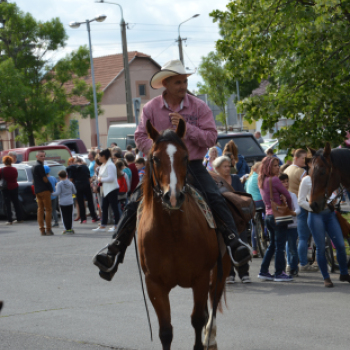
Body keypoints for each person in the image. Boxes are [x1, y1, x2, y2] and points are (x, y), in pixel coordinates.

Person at [93, 59, 252, 281]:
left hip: (192, 164)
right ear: (166, 83)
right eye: (178, 82)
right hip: (160, 166)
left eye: (185, 81)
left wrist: (191, 130)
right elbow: (140, 136)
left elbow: (211, 137)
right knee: (134, 201)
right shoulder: (151, 108)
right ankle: (114, 250)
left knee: (214, 196)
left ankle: (234, 242)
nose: (183, 86)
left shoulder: (199, 106)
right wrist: (160, 152)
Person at [298, 161, 350, 287]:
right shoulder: (307, 180)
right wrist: (312, 208)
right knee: (321, 248)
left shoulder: (327, 178)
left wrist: (333, 200)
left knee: (340, 245)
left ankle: (344, 273)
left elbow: (332, 194)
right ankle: (326, 277)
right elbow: (300, 200)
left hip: (330, 214)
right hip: (316, 215)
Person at [213, 155, 251, 284]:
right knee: (226, 246)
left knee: (242, 243)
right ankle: (230, 274)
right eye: (225, 166)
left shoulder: (235, 179)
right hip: (223, 219)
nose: (228, 168)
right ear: (217, 168)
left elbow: (241, 196)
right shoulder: (214, 181)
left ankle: (244, 273)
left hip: (238, 217)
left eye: (229, 166)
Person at [258, 156, 293, 282]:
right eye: (275, 165)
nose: (278, 167)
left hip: (268, 215)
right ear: (268, 166)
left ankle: (263, 271)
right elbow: (288, 195)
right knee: (280, 246)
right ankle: (279, 273)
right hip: (278, 215)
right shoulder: (274, 180)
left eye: (278, 165)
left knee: (272, 245)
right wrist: (291, 208)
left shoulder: (262, 179)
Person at [283, 149, 318, 272]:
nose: (305, 161)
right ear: (296, 158)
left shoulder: (286, 169)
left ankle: (289, 263)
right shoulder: (302, 172)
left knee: (291, 237)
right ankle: (303, 263)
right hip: (301, 206)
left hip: (289, 207)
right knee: (303, 237)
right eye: (303, 158)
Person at [92, 148, 120, 232]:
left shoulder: (110, 165)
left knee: (114, 208)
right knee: (104, 207)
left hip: (112, 189)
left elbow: (111, 178)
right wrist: (98, 180)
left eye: (100, 156)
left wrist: (101, 179)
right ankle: (103, 225)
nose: (98, 158)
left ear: (104, 156)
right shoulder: (103, 165)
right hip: (105, 189)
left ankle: (117, 225)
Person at [279, 173, 300, 277]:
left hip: (292, 225)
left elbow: (298, 210)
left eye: (287, 181)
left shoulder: (292, 195)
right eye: (283, 182)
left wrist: (291, 212)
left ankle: (294, 268)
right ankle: (282, 268)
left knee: (292, 248)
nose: (286, 183)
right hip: (281, 225)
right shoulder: (276, 196)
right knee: (281, 248)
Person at [32, 151, 53, 236]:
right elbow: (44, 178)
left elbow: (34, 180)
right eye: (41, 156)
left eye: (44, 156)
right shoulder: (40, 166)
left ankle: (41, 230)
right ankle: (48, 229)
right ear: (37, 156)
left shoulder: (33, 166)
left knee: (40, 210)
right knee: (48, 209)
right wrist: (50, 187)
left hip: (37, 190)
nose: (43, 157)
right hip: (44, 190)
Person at [245, 162, 263, 257]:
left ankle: (255, 249)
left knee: (253, 225)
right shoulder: (259, 178)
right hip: (260, 201)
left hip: (251, 203)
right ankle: (265, 233)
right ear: (256, 170)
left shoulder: (249, 179)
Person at [52, 170, 77, 234]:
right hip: (70, 201)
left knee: (64, 216)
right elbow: (74, 191)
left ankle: (66, 229)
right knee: (70, 216)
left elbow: (57, 193)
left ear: (59, 177)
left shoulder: (59, 184)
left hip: (62, 202)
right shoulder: (71, 183)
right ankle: (71, 228)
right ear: (66, 176)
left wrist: (51, 193)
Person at [0, 156, 23, 225]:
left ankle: (10, 220)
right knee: (16, 203)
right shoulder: (14, 169)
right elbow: (16, 177)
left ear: (4, 162)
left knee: (7, 204)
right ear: (11, 161)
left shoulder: (2, 170)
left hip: (6, 188)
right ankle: (19, 218)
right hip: (14, 187)